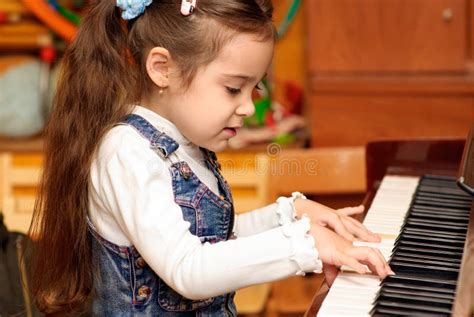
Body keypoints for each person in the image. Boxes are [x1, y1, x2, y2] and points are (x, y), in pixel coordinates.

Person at [29, 0, 393, 315]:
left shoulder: (185, 144)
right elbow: (189, 269)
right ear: (162, 68)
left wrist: (289, 215)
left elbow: (210, 242)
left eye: (255, 88)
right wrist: (304, 243)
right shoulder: (126, 152)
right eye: (234, 88)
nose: (249, 106)